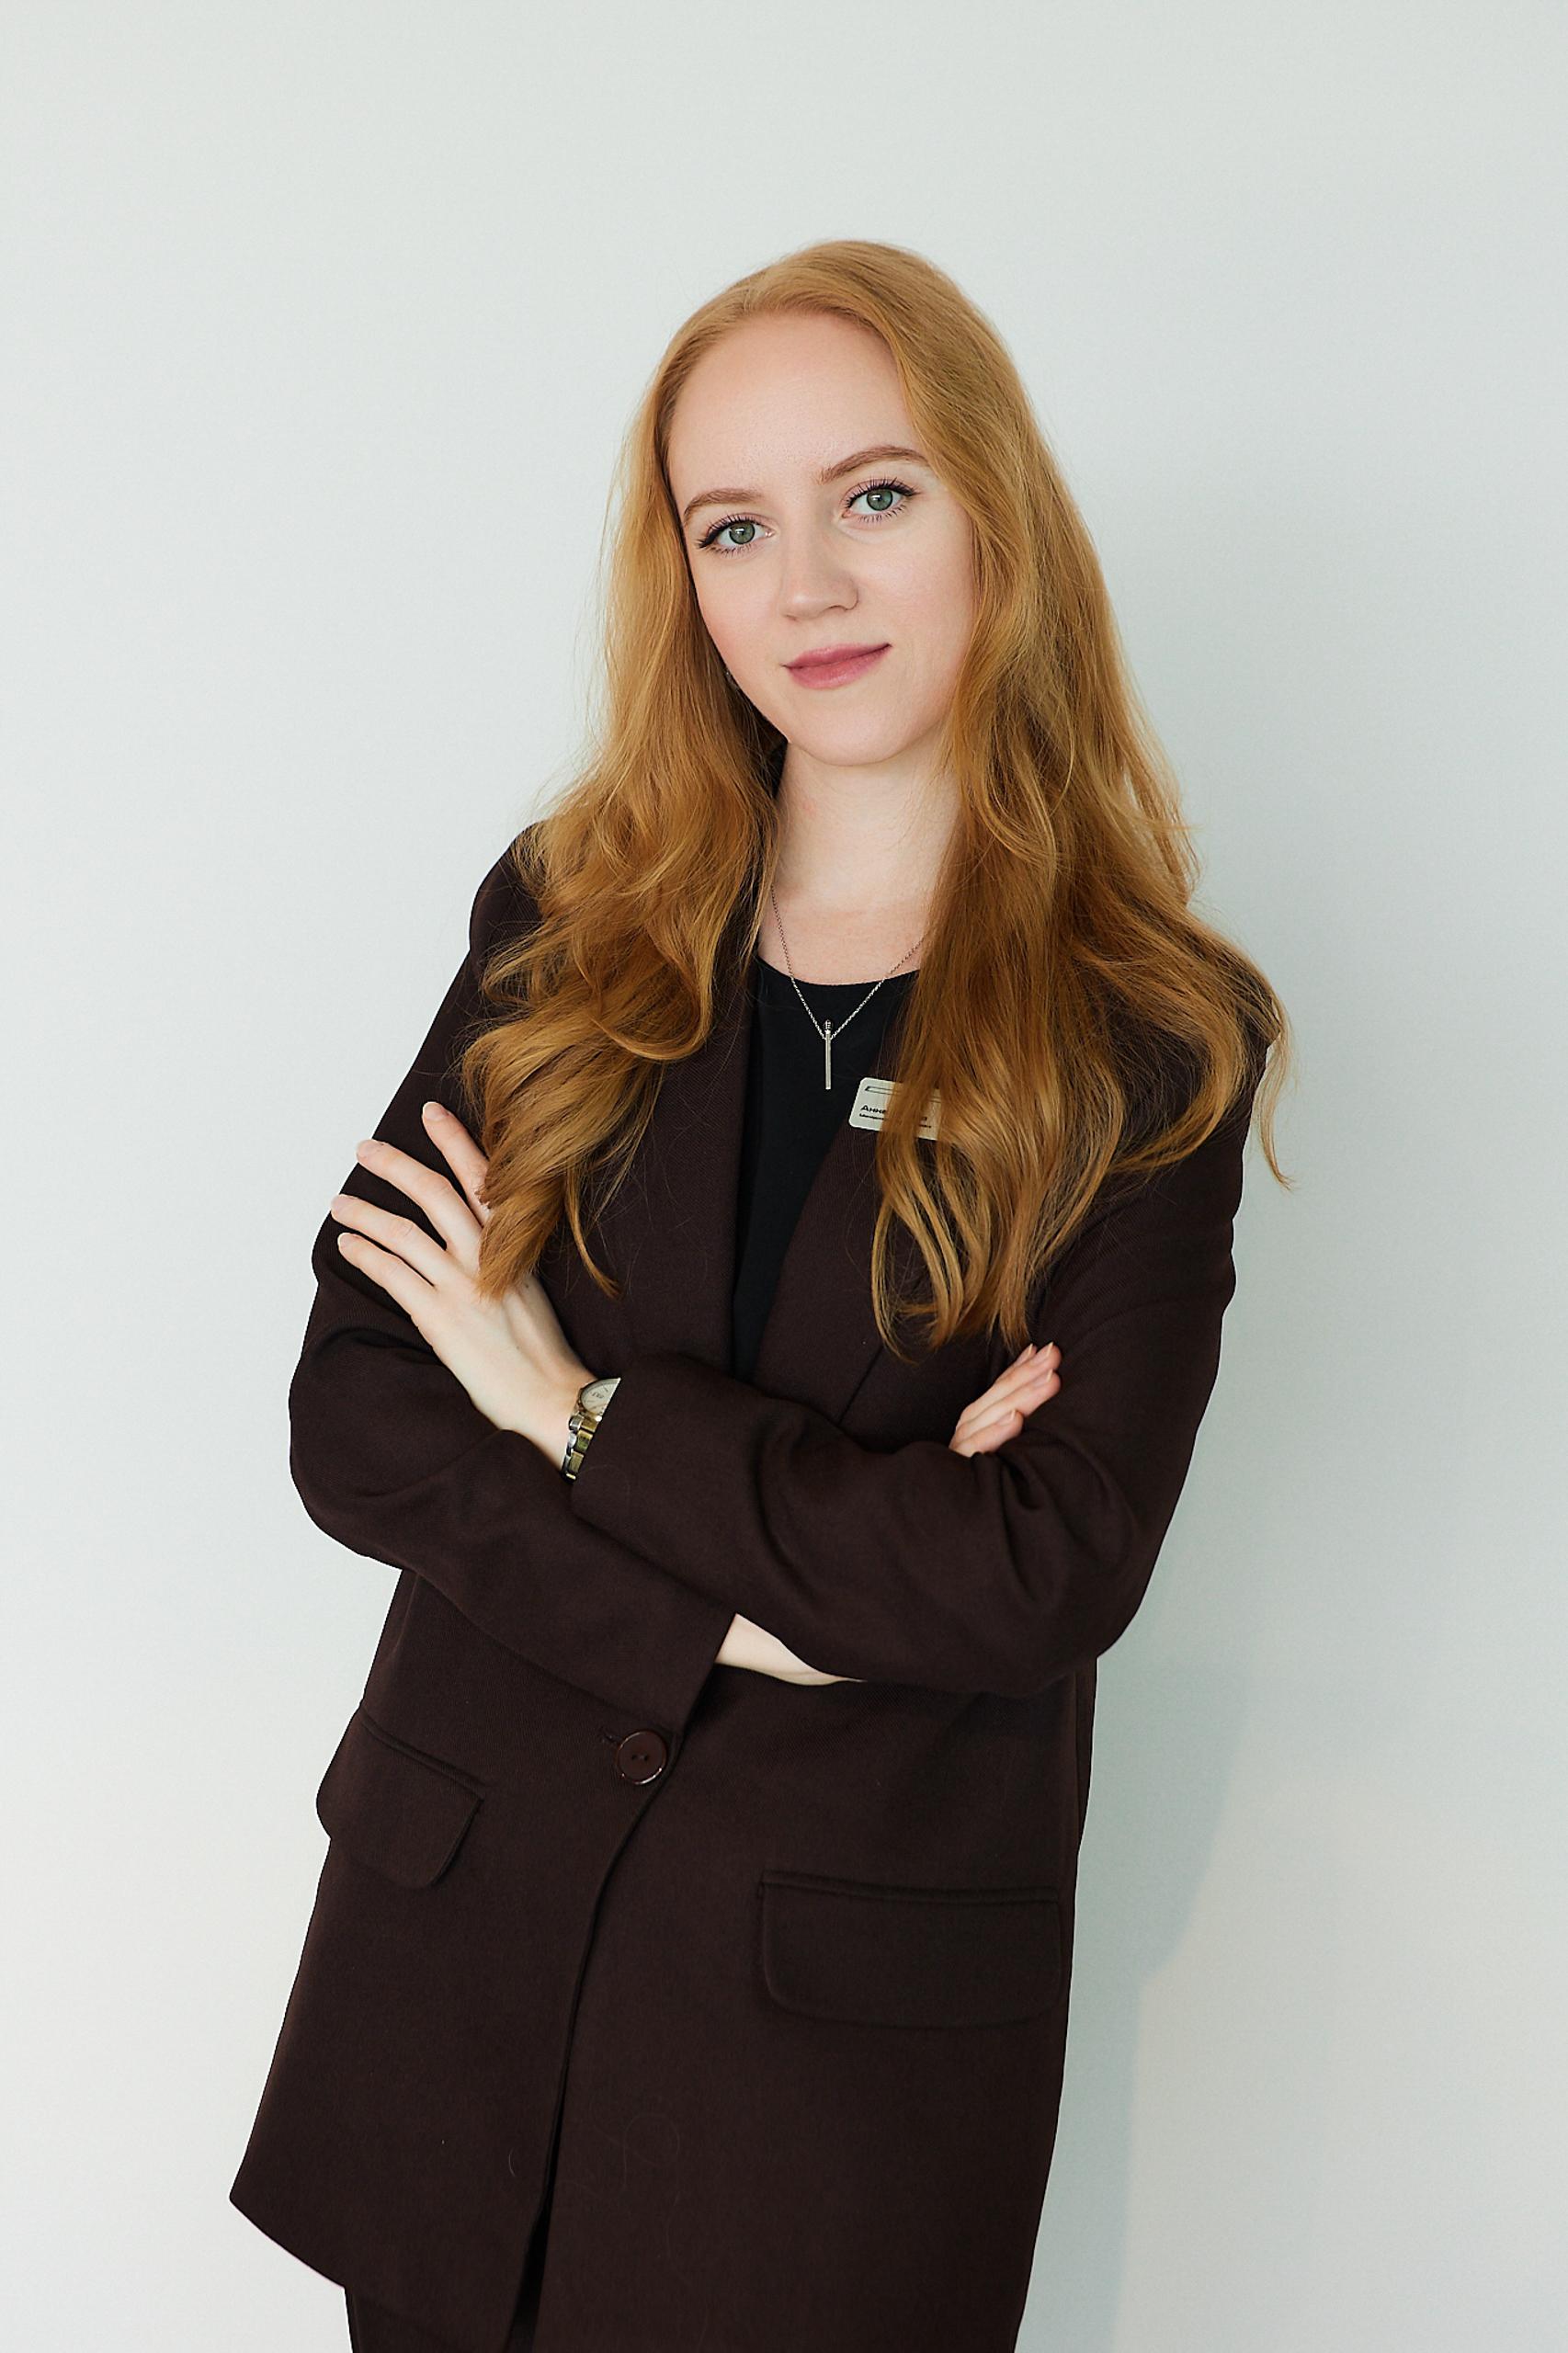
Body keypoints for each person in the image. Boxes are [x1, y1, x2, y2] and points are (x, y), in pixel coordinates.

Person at [230, 238, 1290, 2353]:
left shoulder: (1147, 1040)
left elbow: (1035, 1569)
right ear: (686, 580)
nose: (804, 584)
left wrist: (567, 1406)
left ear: (994, 513)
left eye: (871, 496)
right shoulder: (571, 921)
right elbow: (357, 1401)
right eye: (733, 526)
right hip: (459, 1993)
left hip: (820, 2092)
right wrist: (765, 1609)